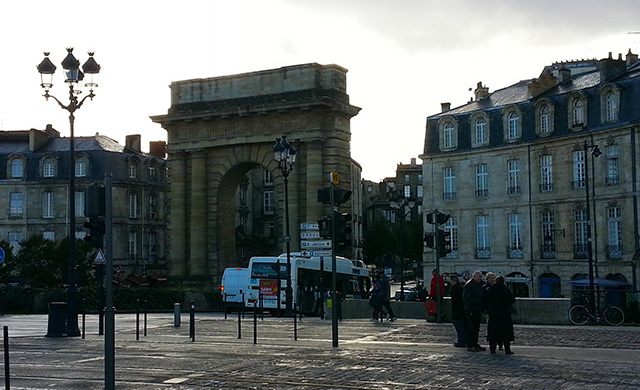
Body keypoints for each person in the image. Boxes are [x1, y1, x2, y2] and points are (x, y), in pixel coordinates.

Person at [485, 275, 516, 355]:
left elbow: (486, 299)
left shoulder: (491, 289)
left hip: (494, 314)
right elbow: (512, 299)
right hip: (504, 314)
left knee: (493, 332)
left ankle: (492, 349)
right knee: (505, 333)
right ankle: (507, 350)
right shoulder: (505, 289)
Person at [463, 270, 486, 352]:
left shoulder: (480, 284)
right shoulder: (469, 285)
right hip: (471, 310)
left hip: (477, 309)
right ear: (474, 276)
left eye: (481, 277)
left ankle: (475, 343)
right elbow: (466, 298)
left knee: (476, 328)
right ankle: (470, 345)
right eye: (479, 277)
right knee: (471, 328)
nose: (480, 278)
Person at [449, 275, 467, 347]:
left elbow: (457, 301)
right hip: (461, 311)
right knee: (462, 327)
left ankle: (462, 341)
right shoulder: (460, 288)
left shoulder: (456, 289)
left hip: (458, 311)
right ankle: (463, 341)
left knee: (460, 327)